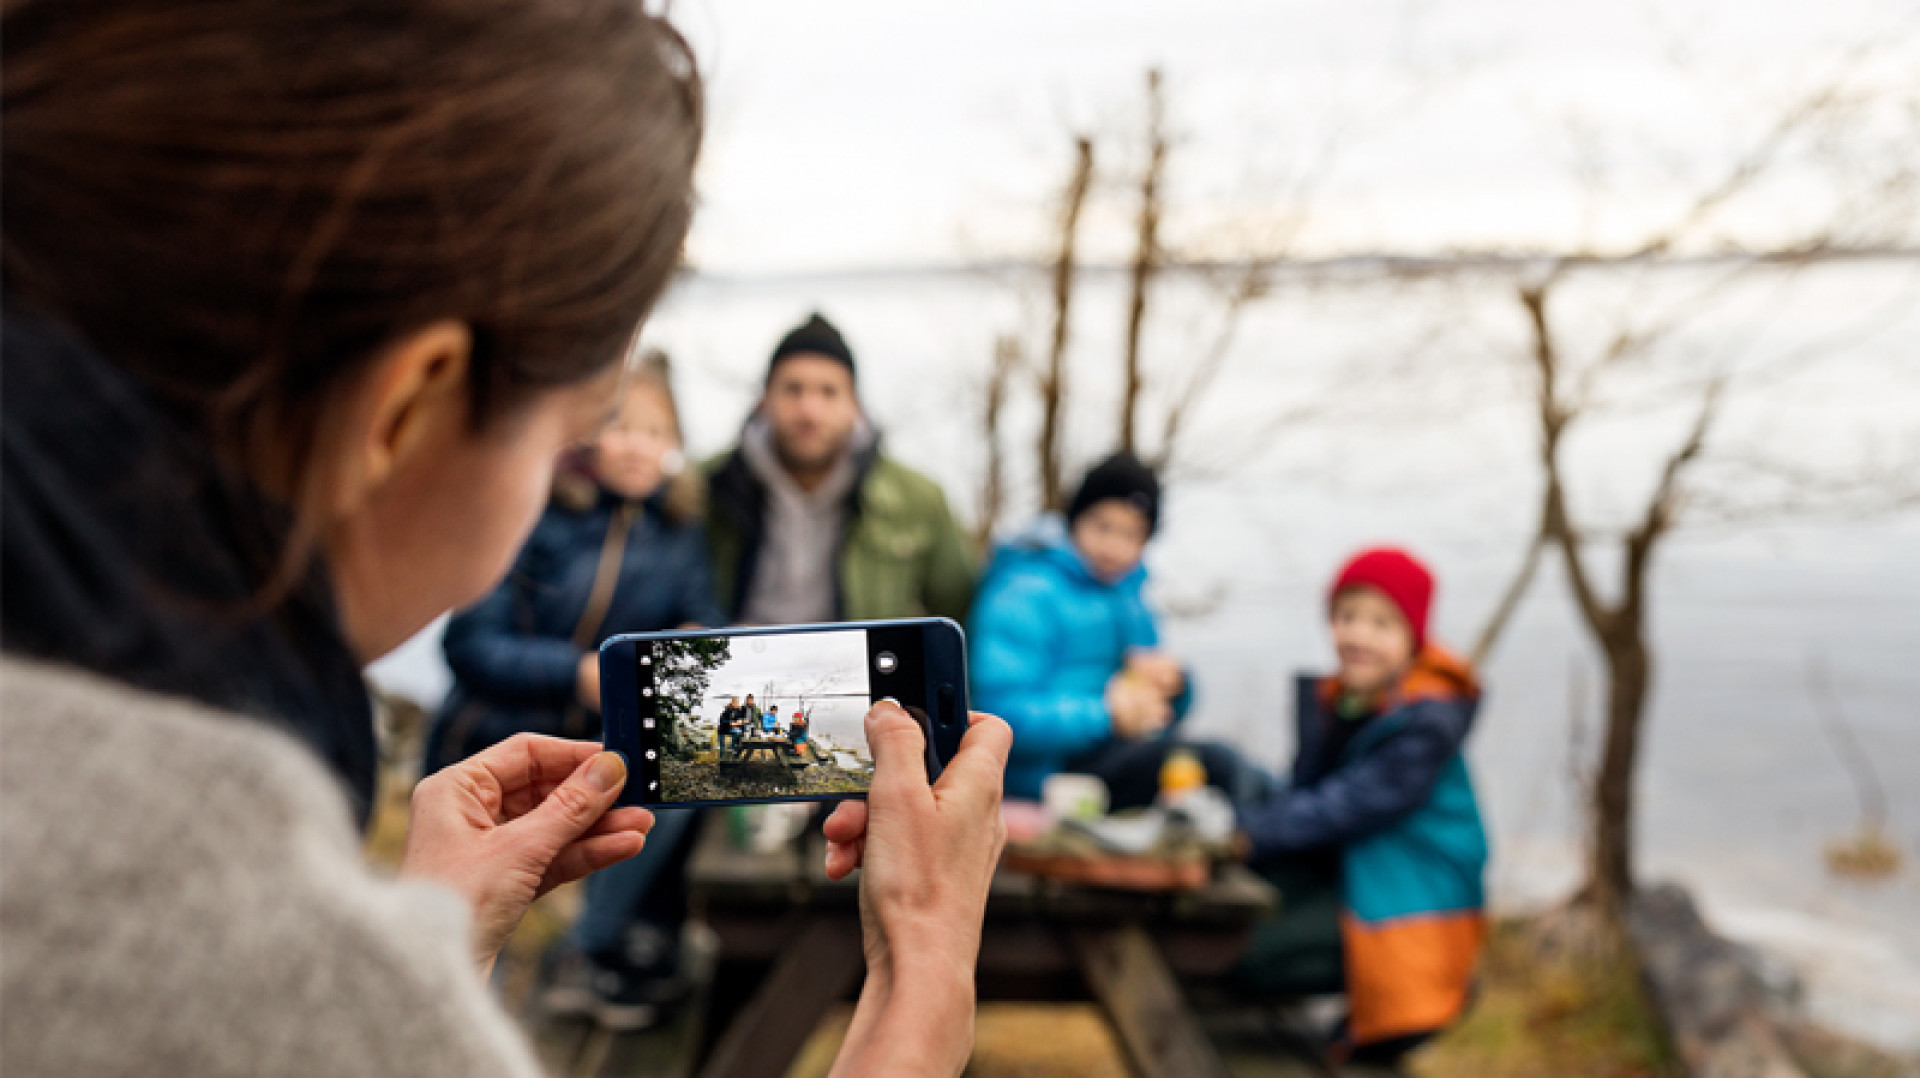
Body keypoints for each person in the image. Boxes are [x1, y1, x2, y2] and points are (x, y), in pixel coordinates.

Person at [0, 4, 1011, 1076]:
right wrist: (926, 959)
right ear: (409, 409)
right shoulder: (202, 950)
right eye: (564, 439)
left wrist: (422, 938)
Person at [417, 354, 722, 1030]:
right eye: (621, 426)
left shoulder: (677, 533)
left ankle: (587, 953)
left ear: (673, 445)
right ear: (585, 433)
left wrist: (700, 640)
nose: (638, 446)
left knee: (686, 779)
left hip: (594, 746)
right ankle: (460, 1015)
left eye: (655, 430)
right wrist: (577, 672)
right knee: (471, 945)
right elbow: (469, 644)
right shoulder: (535, 514)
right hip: (493, 738)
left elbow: (705, 614)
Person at [1232, 548, 1488, 1065]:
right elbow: (1307, 798)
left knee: (1238, 953)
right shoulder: (1348, 702)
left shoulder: (1425, 719)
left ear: (1412, 637)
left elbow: (1347, 806)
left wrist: (1244, 834)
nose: (1359, 635)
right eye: (1347, 616)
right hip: (1360, 880)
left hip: (1414, 907)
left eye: (1381, 623)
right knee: (1227, 924)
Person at [968, 452, 1242, 805]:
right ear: (1074, 520)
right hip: (1044, 775)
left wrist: (1176, 687)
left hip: (1115, 757)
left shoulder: (1131, 597)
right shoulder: (1023, 591)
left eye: (1131, 534)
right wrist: (1106, 715)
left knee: (1224, 771)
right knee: (1219, 767)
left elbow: (1161, 715)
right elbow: (997, 714)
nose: (1114, 547)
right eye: (1103, 526)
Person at [705, 313, 977, 625]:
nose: (809, 410)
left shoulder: (919, 499)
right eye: (793, 389)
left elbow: (962, 615)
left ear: (855, 406)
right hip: (739, 668)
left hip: (860, 670)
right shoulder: (705, 486)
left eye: (828, 392)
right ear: (765, 399)